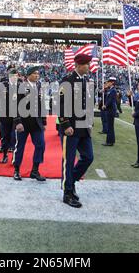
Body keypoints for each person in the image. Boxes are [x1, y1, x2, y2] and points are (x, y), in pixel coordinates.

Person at [58, 53, 94, 208]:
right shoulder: (67, 81)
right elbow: (60, 104)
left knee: (88, 157)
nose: (88, 67)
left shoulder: (85, 81)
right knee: (68, 160)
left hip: (83, 127)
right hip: (70, 128)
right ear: (78, 65)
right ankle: (67, 193)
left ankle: (70, 183)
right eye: (86, 64)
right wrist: (65, 125)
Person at [12, 66, 47, 181]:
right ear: (28, 75)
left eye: (38, 74)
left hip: (36, 122)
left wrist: (44, 121)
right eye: (35, 73)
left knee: (41, 145)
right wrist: (17, 122)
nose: (37, 75)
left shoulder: (38, 86)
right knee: (20, 146)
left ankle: (35, 170)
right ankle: (16, 170)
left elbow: (41, 104)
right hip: (23, 122)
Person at [0, 68, 19, 164]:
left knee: (15, 136)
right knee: (5, 136)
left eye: (15, 76)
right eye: (12, 76)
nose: (14, 78)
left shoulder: (21, 87)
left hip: (17, 116)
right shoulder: (2, 86)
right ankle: (4, 155)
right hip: (4, 114)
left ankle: (14, 158)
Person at [102, 77, 117, 146]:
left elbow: (110, 100)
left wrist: (105, 105)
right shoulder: (110, 90)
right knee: (110, 126)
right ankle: (110, 140)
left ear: (112, 82)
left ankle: (110, 141)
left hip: (111, 110)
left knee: (110, 126)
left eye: (109, 82)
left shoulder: (113, 90)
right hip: (109, 109)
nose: (107, 83)